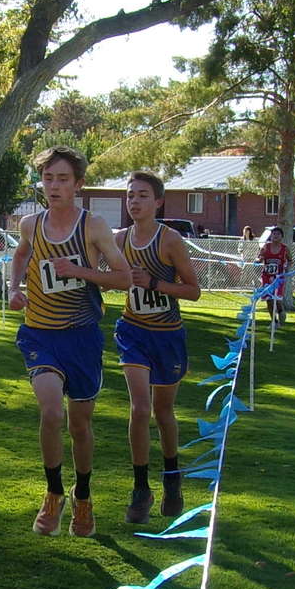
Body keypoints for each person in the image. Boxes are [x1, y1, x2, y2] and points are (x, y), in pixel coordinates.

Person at [7, 145, 131, 538]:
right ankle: (53, 492)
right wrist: (14, 288)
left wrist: (79, 270)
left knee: (79, 424)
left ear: (78, 185)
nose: (54, 186)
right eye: (48, 178)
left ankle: (84, 495)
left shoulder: (93, 227)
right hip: (40, 333)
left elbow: (124, 279)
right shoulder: (31, 224)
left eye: (63, 179)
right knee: (50, 411)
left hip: (82, 337)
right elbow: (20, 256)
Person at [114, 172, 201, 523]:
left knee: (163, 413)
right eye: (130, 196)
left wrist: (154, 282)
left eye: (142, 196)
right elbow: (103, 274)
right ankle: (140, 488)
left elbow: (193, 290)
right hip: (132, 331)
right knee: (139, 407)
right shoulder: (118, 239)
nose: (134, 202)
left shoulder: (170, 241)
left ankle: (172, 477)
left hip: (167, 336)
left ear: (158, 202)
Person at [256, 226, 289, 324]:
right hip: (266, 276)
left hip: (278, 278)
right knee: (268, 299)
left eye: (278, 234)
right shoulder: (266, 247)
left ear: (281, 237)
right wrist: (258, 260)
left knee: (276, 298)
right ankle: (273, 321)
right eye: (274, 234)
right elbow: (260, 257)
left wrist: (287, 267)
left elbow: (290, 260)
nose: (275, 236)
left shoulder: (285, 249)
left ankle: (281, 312)